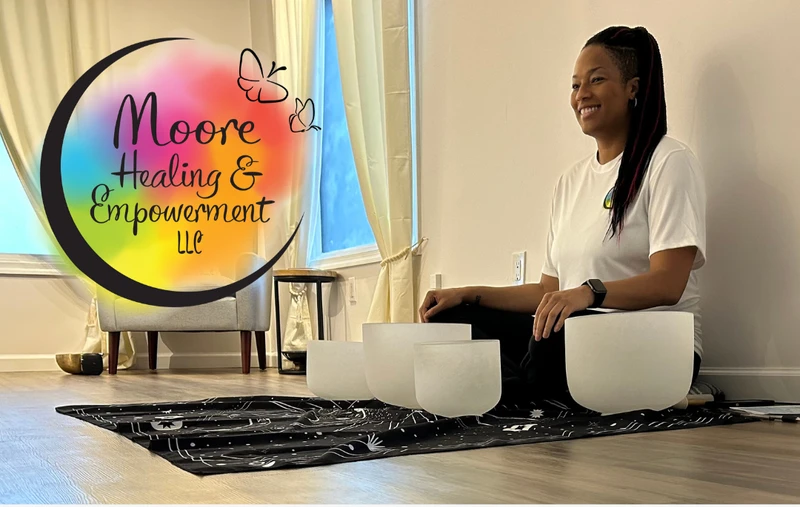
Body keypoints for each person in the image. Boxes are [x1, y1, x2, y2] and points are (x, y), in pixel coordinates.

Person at [418, 26, 707, 403]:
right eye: (575, 85)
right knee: (449, 323)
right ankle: (520, 389)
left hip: (658, 346)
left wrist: (589, 293)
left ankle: (499, 389)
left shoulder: (669, 161)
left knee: (552, 338)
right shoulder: (569, 182)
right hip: (574, 333)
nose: (581, 95)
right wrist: (467, 294)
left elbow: (669, 283)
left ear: (633, 88)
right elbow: (546, 292)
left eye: (596, 80)